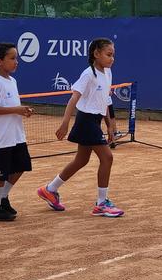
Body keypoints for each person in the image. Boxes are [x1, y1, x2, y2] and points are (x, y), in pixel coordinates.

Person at [37, 38, 125, 217]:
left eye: (113, 55)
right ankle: (101, 204)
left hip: (95, 121)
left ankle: (49, 189)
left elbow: (106, 101)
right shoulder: (88, 74)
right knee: (107, 157)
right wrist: (65, 123)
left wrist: (109, 126)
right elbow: (73, 99)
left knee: (81, 160)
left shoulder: (107, 73)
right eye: (108, 55)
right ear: (96, 54)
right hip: (85, 120)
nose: (112, 59)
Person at [0, 42, 34, 221]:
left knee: (20, 166)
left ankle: (1, 197)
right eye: (12, 58)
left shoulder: (12, 81)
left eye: (16, 58)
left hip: (16, 135)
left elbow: (13, 107)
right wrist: (16, 110)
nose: (16, 62)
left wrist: (22, 110)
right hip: (1, 138)